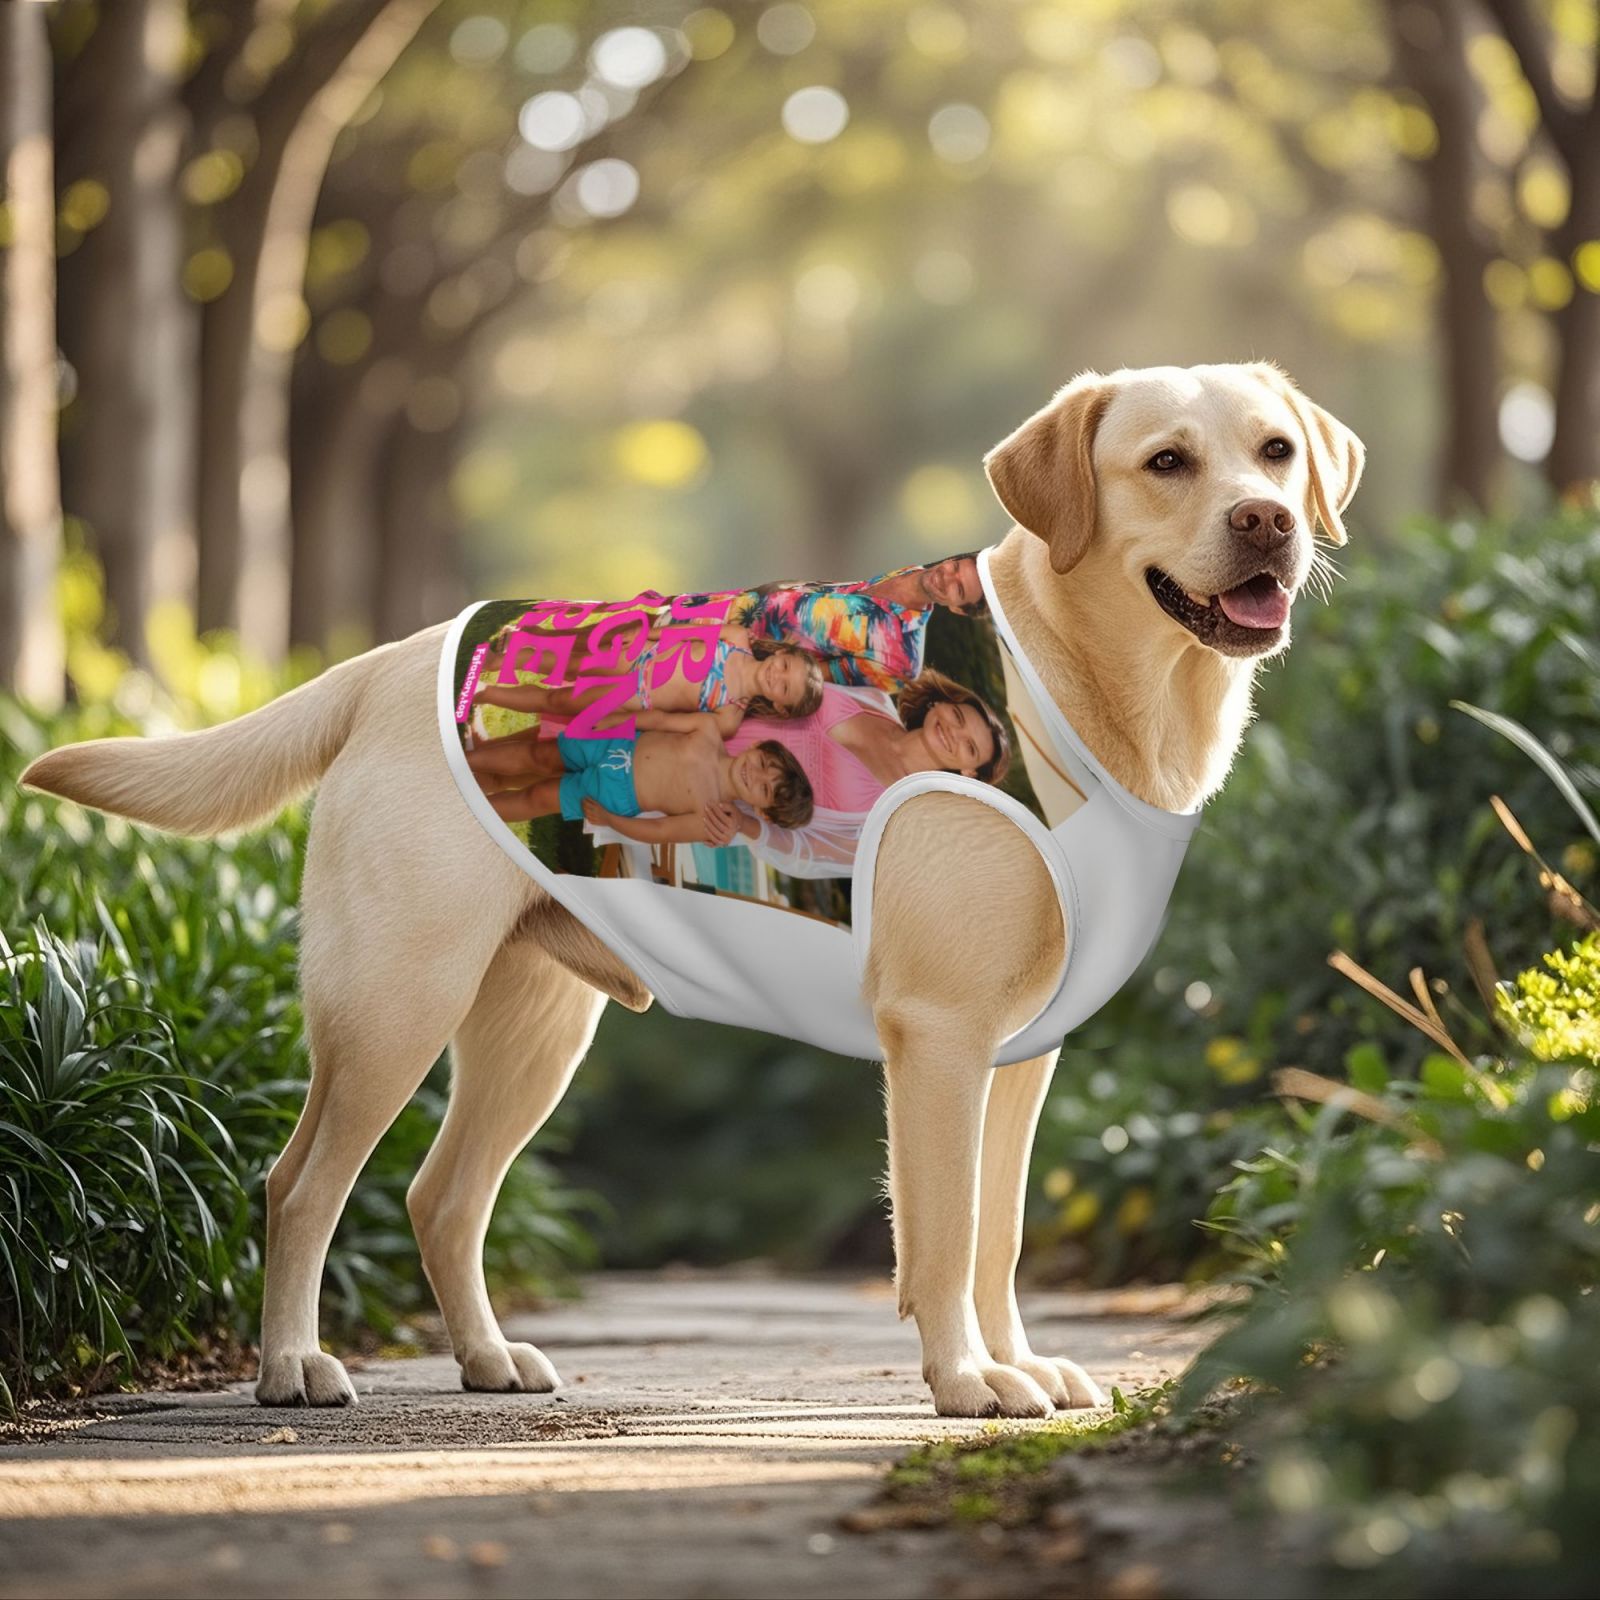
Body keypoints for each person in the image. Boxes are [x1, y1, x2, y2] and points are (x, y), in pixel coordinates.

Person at [698, 669, 1010, 876]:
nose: (953, 732)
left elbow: (806, 852)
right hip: (701, 714)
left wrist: (742, 825)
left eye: (969, 747)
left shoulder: (887, 821)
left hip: (700, 791)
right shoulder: (873, 699)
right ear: (940, 704)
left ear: (967, 773)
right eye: (956, 715)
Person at [476, 712, 815, 846]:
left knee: (539, 798)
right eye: (762, 763)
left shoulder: (711, 815)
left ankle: (471, 810)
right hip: (617, 742)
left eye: (764, 788)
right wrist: (614, 720)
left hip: (614, 795)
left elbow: (659, 832)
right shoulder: (708, 731)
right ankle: (464, 760)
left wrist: (611, 821)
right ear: (758, 746)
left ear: (763, 811)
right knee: (540, 755)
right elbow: (658, 719)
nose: (753, 774)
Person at [473, 626, 822, 740]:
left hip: (634, 696)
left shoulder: (729, 717)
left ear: (780, 706)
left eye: (784, 687)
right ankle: (499, 659)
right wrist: (644, 635)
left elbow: (668, 722)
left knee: (557, 703)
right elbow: (684, 633)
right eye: (785, 665)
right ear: (781, 654)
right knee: (572, 663)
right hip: (642, 656)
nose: (776, 674)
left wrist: (622, 724)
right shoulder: (736, 637)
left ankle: (484, 694)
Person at [727, 553, 988, 691]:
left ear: (958, 609)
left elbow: (811, 681)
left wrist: (752, 663)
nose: (946, 576)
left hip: (737, 656)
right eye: (955, 566)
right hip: (735, 602)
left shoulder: (903, 662)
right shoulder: (913, 570)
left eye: (959, 589)